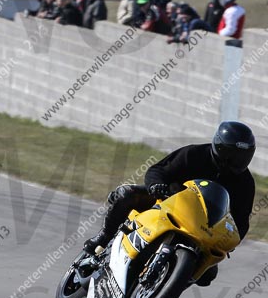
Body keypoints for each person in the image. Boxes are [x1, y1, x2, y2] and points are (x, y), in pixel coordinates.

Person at [82, 121, 257, 286]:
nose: (235, 161)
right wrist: (157, 185)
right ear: (218, 147)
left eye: (242, 157)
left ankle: (167, 284)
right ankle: (104, 237)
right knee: (127, 194)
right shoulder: (194, 154)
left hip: (203, 227)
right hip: (166, 201)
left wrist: (229, 241)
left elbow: (241, 220)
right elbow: (158, 170)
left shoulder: (245, 183)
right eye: (230, 154)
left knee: (208, 274)